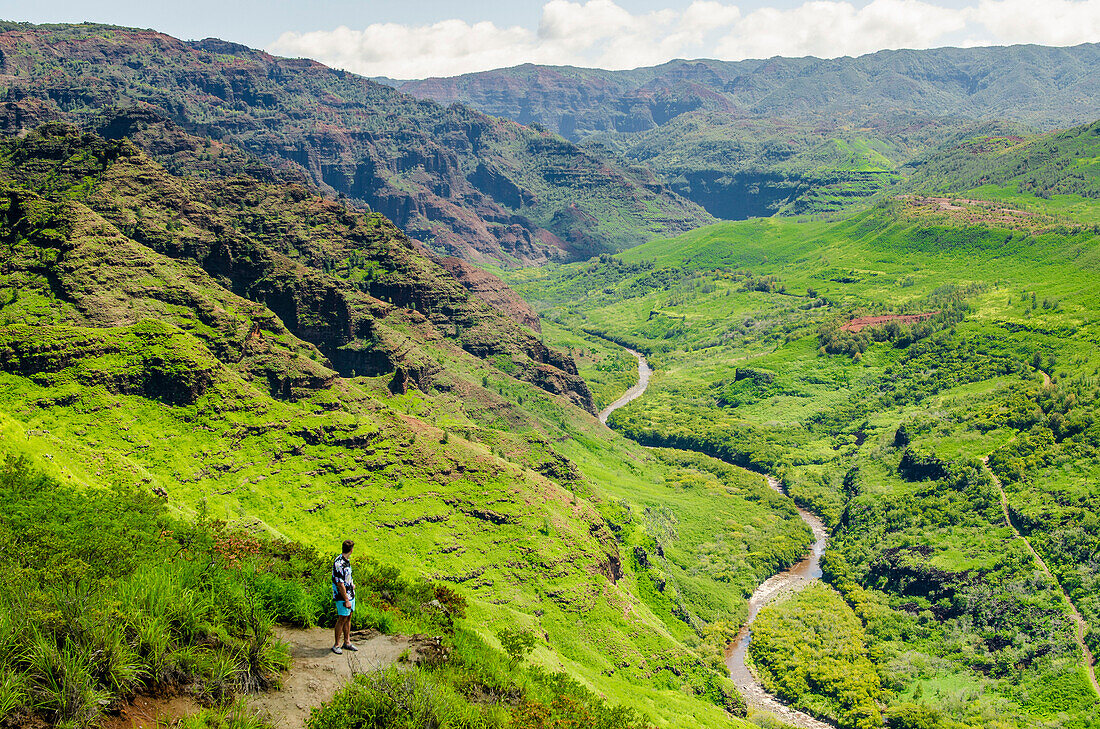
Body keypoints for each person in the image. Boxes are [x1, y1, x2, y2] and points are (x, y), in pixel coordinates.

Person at [331, 539, 357, 654]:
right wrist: (346, 599)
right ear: (351, 550)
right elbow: (340, 584)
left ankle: (347, 642)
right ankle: (336, 644)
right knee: (342, 618)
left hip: (350, 593)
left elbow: (346, 578)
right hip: (343, 596)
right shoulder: (339, 563)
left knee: (349, 617)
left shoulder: (346, 561)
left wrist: (351, 584)